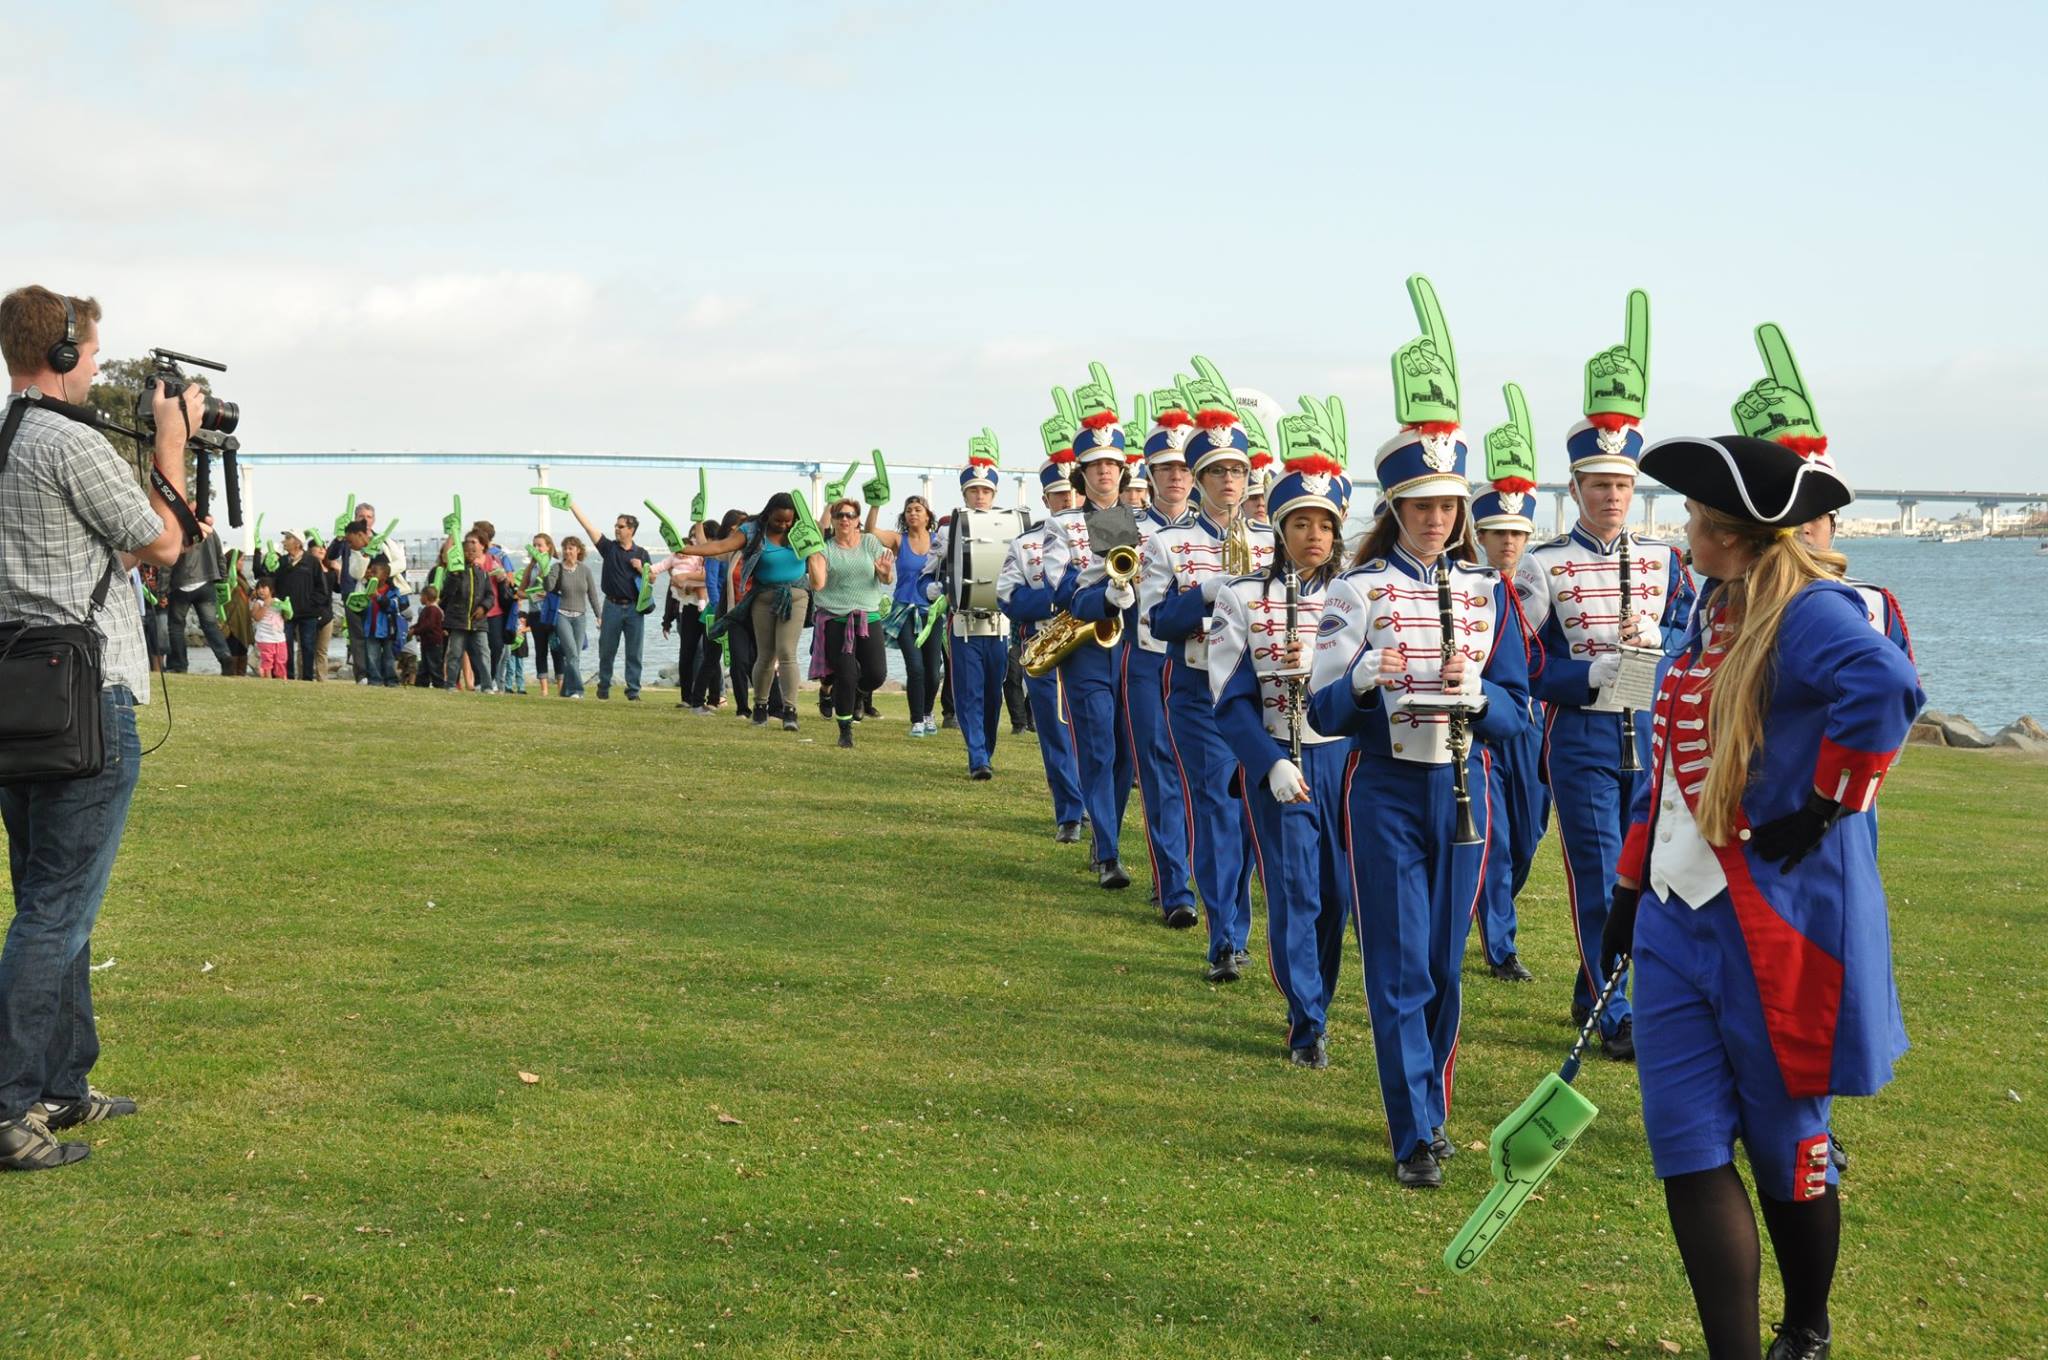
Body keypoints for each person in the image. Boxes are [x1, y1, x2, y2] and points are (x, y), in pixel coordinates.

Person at [1605, 434, 1922, 1360]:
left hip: (1771, 927)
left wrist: (1830, 800)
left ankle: (1809, 1325)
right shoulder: (1707, 610)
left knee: (1787, 1151)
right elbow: (1665, 768)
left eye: (1698, 520)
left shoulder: (1811, 612)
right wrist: (1631, 884)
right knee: (1687, 1143)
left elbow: (1889, 686)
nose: (1686, 531)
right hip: (1673, 918)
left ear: (1734, 534)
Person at [1309, 311, 1533, 1188]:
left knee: (1445, 967)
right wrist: (1364, 675)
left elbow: (1518, 712)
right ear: (1394, 508)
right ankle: (1417, 1132)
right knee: (1399, 967)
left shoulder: (1489, 591)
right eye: (1422, 506)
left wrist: (1483, 696)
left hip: (1466, 788)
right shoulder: (1356, 590)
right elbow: (1320, 711)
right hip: (1386, 794)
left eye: (1449, 505)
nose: (1438, 519)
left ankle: (1429, 1102)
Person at [0, 284, 206, 1169]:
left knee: (50, 901)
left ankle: (60, 1082)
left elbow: (80, 549)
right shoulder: (70, 442)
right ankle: (9, 1108)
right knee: (56, 910)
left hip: (17, 695)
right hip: (86, 699)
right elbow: (165, 543)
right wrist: (172, 440)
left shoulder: (9, 441)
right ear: (67, 352)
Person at [1516, 294, 1693, 1059]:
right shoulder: (1542, 562)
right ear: (1576, 486)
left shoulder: (1665, 559)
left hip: (1649, 738)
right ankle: (1614, 1015)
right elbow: (1523, 663)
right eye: (1597, 484)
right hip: (1583, 737)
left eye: (1621, 485)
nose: (1611, 496)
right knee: (1598, 877)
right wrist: (1591, 675)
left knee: (1648, 878)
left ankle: (1598, 986)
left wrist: (1662, 640)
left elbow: (1692, 635)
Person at [1211, 413, 1352, 1054]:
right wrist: (1267, 762)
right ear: (1280, 528)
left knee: (1335, 894)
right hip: (1281, 764)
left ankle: (1318, 990)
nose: (1314, 535)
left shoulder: (1361, 596)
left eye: (1324, 524)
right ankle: (1307, 1018)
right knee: (1295, 889)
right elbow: (1228, 699)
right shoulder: (1242, 598)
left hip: (1346, 764)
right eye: (1301, 523)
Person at [1150, 394, 1276, 968]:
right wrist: (1208, 590)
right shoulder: (1169, 544)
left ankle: (1241, 922)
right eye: (1217, 471)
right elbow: (1158, 620)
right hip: (1201, 690)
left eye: (1236, 470)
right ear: (1197, 479)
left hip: (1267, 695)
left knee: (1256, 811)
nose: (1229, 480)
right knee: (1217, 808)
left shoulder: (1277, 539)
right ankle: (1225, 937)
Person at [1730, 323, 1915, 662]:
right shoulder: (1727, 605)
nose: (1803, 527)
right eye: (1792, 515)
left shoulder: (1875, 606)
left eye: (1815, 514)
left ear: (1833, 523)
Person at [1041, 372, 1140, 889]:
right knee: (1098, 745)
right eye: (1095, 466)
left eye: (1112, 465)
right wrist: (1103, 589)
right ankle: (1106, 849)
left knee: (1127, 750)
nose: (1104, 473)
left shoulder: (1145, 522)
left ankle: (1111, 834)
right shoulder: (1062, 526)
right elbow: (1059, 589)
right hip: (1088, 647)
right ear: (1081, 474)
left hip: (1137, 650)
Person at [1117, 394, 1202, 929]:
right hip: (1146, 659)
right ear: (1149, 472)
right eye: (1166, 468)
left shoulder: (1222, 531)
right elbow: (1084, 596)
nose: (1175, 477)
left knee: (1206, 779)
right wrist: (1110, 597)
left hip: (1205, 666)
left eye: (1183, 467)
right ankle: (1174, 885)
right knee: (1159, 773)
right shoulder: (1115, 523)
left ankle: (1204, 870)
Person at [1469, 399, 1548, 983]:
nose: (1508, 543)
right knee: (1494, 840)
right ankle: (1501, 942)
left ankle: (1494, 903)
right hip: (1478, 722)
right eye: (1497, 533)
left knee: (1529, 830)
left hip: (1533, 720)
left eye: (1517, 533)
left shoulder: (1542, 581)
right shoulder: (1467, 587)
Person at [997, 445, 1086, 841]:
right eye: (1058, 494)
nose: (1066, 499)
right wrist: (1055, 600)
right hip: (1046, 645)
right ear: (1046, 499)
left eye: (1071, 493)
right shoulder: (1025, 542)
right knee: (1053, 729)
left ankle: (1098, 807)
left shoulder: (1104, 529)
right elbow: (1006, 596)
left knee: (1096, 733)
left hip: (1094, 645)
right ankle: (1070, 812)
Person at [921, 439, 1024, 778]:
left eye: (986, 491)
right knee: (969, 694)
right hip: (963, 625)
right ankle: (977, 757)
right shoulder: (949, 531)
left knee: (993, 695)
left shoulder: (1011, 529)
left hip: (998, 624)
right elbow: (925, 578)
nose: (980, 496)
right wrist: (937, 588)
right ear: (965, 493)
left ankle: (986, 752)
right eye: (974, 490)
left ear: (994, 494)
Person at [680, 494, 812, 731]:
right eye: (779, 521)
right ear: (768, 513)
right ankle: (759, 706)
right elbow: (721, 546)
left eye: (788, 521)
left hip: (796, 595)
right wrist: (688, 549)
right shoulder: (753, 530)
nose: (784, 526)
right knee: (765, 654)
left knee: (786, 651)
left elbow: (822, 538)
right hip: (762, 596)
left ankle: (790, 711)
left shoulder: (803, 530)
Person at [806, 498, 893, 748]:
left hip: (869, 616)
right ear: (832, 520)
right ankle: (845, 730)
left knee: (876, 674)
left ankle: (857, 695)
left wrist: (885, 571)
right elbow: (818, 584)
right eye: (840, 515)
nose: (845, 519)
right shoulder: (825, 548)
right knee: (846, 673)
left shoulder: (869, 542)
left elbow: (887, 579)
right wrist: (812, 557)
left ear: (857, 521)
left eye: (850, 515)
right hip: (836, 618)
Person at [561, 503, 651, 701]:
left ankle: (633, 691)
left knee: (634, 652)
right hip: (612, 607)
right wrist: (572, 505)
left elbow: (651, 579)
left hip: (635, 609)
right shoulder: (609, 548)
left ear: (631, 530)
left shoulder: (642, 553)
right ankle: (603, 688)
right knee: (607, 651)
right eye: (616, 526)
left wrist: (642, 568)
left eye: (620, 526)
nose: (616, 529)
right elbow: (589, 528)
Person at [877, 496, 942, 735]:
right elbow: (871, 530)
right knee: (915, 668)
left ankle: (927, 713)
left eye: (918, 509)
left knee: (933, 672)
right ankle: (917, 720)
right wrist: (875, 505)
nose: (912, 513)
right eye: (908, 510)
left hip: (932, 613)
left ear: (927, 516)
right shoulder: (898, 540)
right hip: (904, 611)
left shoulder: (939, 541)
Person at [164, 530, 233, 673]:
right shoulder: (210, 531)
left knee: (176, 626)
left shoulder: (177, 528)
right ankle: (224, 655)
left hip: (181, 583)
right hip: (207, 582)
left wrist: (162, 590)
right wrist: (223, 578)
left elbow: (167, 561)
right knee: (210, 625)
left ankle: (179, 665)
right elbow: (219, 555)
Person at [265, 531, 330, 682]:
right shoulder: (280, 561)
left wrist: (312, 604)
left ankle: (307, 678)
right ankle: (287, 676)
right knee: (285, 646)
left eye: (288, 538)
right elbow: (271, 582)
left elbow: (322, 588)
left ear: (298, 542)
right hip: (285, 612)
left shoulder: (311, 561)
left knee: (307, 646)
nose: (284, 541)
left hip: (308, 613)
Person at [437, 533, 493, 693]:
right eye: (467, 551)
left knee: (483, 654)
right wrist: (454, 576)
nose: (470, 553)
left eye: (473, 551)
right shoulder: (454, 572)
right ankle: (450, 684)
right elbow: (445, 594)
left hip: (478, 622)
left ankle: (487, 685)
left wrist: (483, 607)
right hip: (458, 621)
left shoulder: (482, 573)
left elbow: (490, 595)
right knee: (455, 653)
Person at [549, 536, 599, 699]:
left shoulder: (585, 570)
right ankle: (578, 690)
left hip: (580, 617)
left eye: (571, 548)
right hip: (562, 615)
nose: (567, 551)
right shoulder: (557, 568)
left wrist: (599, 616)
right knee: (572, 654)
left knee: (574, 655)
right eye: (565, 548)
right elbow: (548, 587)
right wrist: (547, 572)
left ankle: (565, 691)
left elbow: (592, 594)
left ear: (578, 550)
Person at [326, 518, 374, 682]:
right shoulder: (347, 542)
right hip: (350, 592)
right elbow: (331, 555)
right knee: (356, 634)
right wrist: (339, 538)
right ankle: (361, 674)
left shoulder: (378, 543)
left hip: (370, 593)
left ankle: (375, 670)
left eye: (369, 516)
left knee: (373, 632)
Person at [520, 533, 559, 698]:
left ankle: (561, 687)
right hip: (536, 613)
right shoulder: (532, 567)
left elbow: (563, 589)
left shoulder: (556, 564)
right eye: (534, 545)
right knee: (541, 650)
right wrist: (532, 594)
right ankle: (544, 689)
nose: (536, 548)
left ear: (548, 547)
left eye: (540, 545)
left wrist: (549, 594)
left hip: (552, 612)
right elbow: (520, 591)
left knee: (557, 649)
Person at [357, 556, 407, 687]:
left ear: (385, 576)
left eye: (375, 573)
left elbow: (394, 607)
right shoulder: (365, 589)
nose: (371, 575)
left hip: (388, 630)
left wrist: (379, 598)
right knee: (372, 657)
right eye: (371, 572)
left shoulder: (392, 591)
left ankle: (391, 680)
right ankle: (375, 679)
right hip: (371, 628)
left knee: (389, 658)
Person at [250, 581, 289, 678]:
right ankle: (268, 681)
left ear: (271, 590)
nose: (260, 591)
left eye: (263, 588)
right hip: (265, 639)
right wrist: (266, 605)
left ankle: (282, 680)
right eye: (258, 588)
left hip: (279, 638)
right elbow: (256, 617)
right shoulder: (258, 603)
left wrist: (287, 609)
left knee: (281, 661)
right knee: (266, 663)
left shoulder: (278, 602)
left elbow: (286, 617)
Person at [411, 585, 445, 688]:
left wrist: (415, 631)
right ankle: (422, 682)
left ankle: (438, 683)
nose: (420, 598)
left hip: (433, 642)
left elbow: (427, 625)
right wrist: (414, 628)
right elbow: (422, 623)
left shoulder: (433, 610)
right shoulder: (427, 610)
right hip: (427, 642)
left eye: (421, 596)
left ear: (426, 597)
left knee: (434, 664)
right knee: (424, 664)